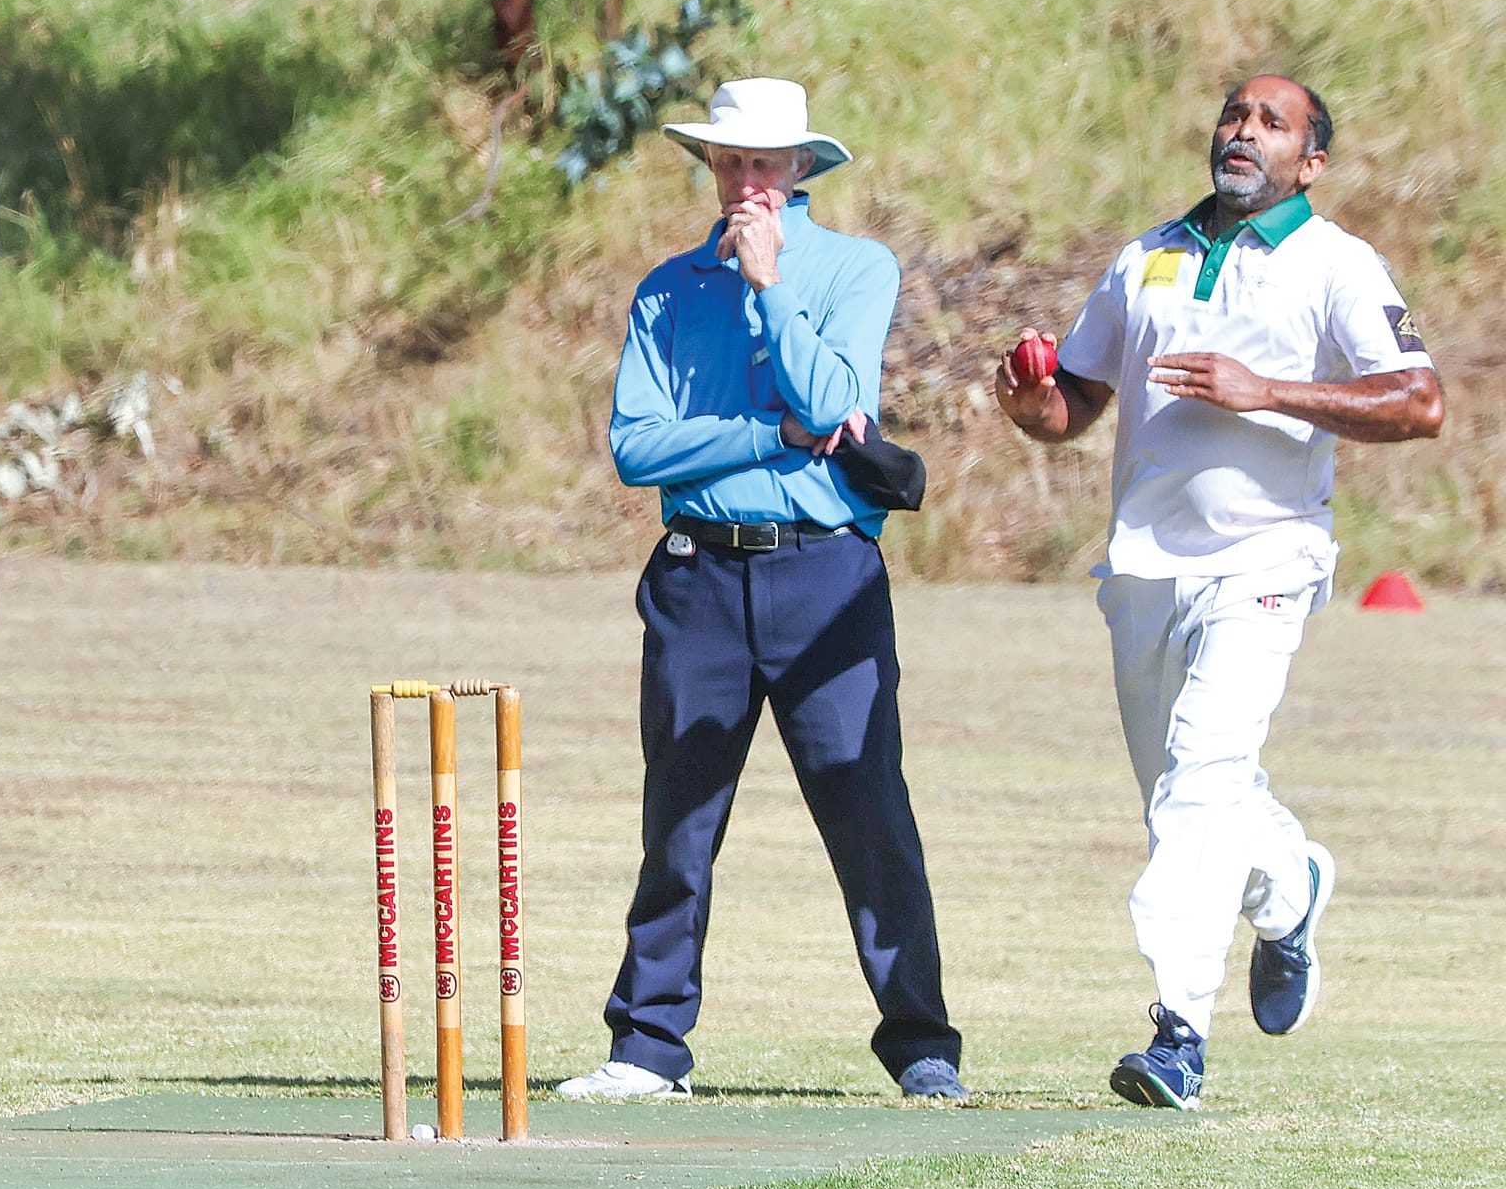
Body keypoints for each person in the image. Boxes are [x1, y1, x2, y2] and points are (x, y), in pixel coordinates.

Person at [995, 75, 1444, 1109]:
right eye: (1233, 115)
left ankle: (1176, 1032)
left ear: (1309, 162)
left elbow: (1416, 402)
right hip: (1142, 572)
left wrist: (1268, 390)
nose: (1242, 131)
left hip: (1263, 563)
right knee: (1188, 800)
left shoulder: (1332, 263)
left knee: (1199, 778)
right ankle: (1289, 889)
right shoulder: (1145, 253)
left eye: (1271, 123)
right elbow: (1076, 403)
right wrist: (1031, 403)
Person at [557, 77, 966, 1104]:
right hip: (698, 573)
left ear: (798, 170)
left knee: (867, 810)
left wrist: (771, 284)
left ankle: (920, 1044)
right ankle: (646, 1045)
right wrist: (763, 435)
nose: (747, 180)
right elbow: (635, 446)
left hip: (822, 568)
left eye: (765, 163)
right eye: (731, 161)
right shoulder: (664, 288)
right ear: (710, 166)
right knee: (677, 816)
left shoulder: (855, 268)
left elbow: (836, 405)